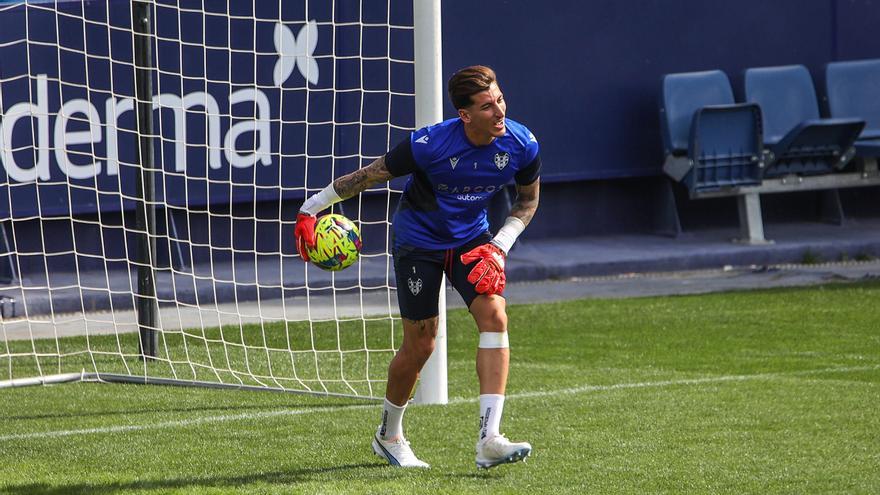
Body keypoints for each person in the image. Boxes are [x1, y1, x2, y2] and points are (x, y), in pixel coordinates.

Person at [294, 65, 541, 469]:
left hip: (472, 241)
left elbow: (527, 202)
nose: (499, 112)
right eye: (486, 106)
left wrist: (499, 246)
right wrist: (311, 208)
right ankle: (388, 435)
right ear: (464, 115)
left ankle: (489, 438)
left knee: (495, 316)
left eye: (499, 99)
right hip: (418, 244)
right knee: (422, 344)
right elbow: (369, 175)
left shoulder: (521, 143)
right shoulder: (430, 145)